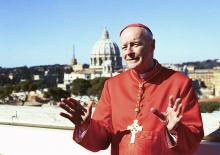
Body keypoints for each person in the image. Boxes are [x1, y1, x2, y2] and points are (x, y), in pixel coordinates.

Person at [59, 23, 204, 155]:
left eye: (135, 44)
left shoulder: (180, 82)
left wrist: (174, 130)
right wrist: (85, 126)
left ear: (152, 45)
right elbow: (100, 141)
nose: (128, 52)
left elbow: (193, 139)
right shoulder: (112, 85)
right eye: (124, 47)